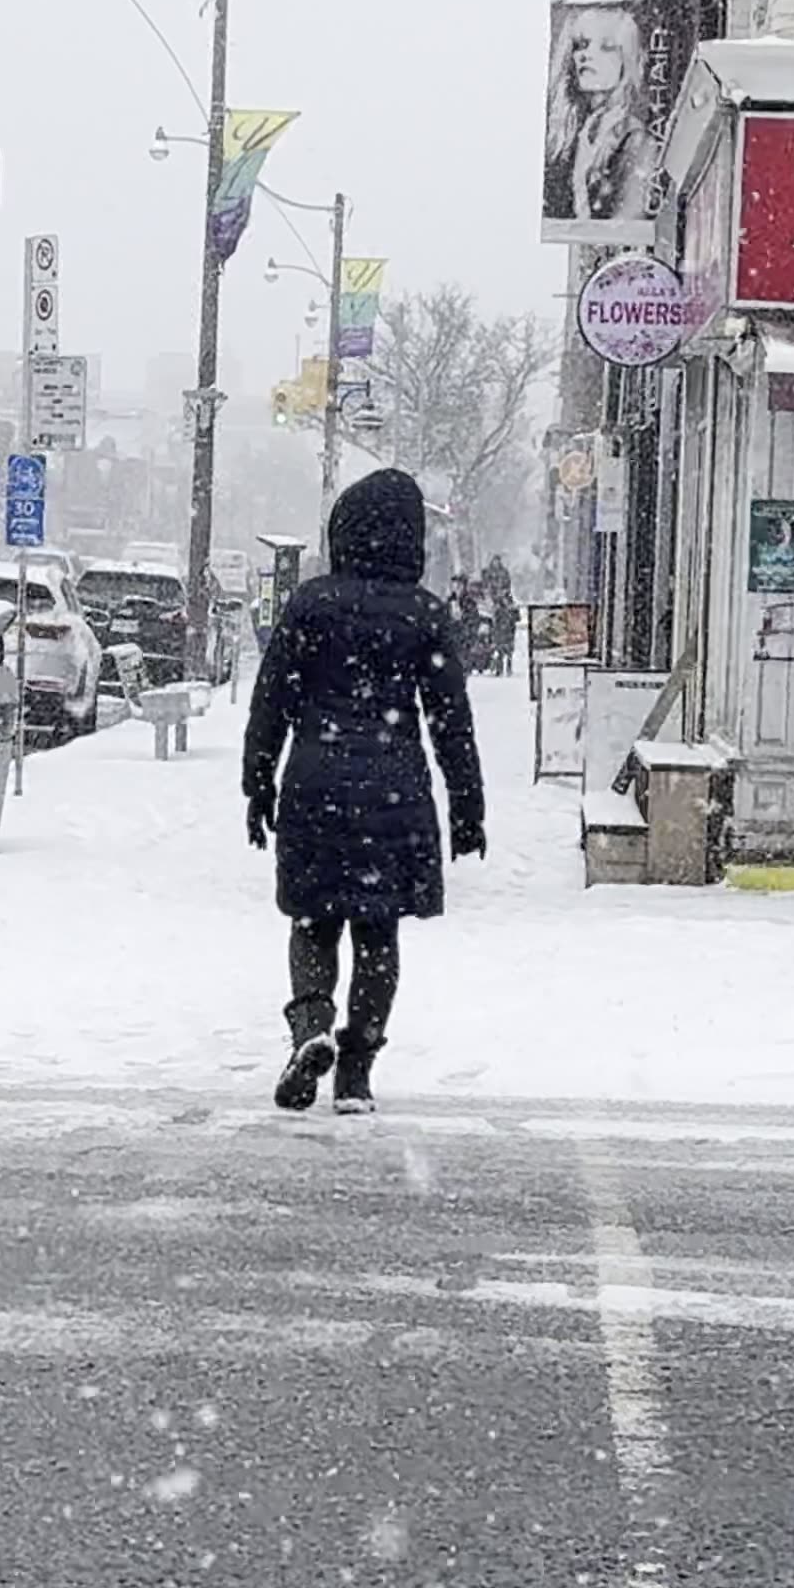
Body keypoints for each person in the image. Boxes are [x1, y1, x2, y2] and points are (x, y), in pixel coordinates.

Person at [242, 469, 489, 1116]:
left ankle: (311, 1025)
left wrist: (256, 782)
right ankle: (355, 1073)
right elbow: (450, 721)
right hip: (394, 791)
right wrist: (468, 807)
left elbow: (272, 701)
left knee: (314, 923)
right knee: (378, 934)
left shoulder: (311, 604)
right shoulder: (425, 615)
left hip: (315, 781)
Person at [544, 2, 655, 228]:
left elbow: (628, 222)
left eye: (606, 46)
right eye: (581, 45)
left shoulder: (634, 138)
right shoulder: (569, 137)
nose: (586, 55)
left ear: (627, 58)